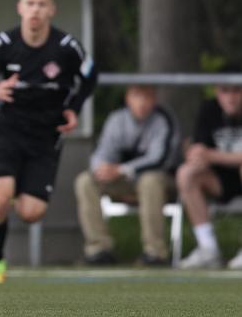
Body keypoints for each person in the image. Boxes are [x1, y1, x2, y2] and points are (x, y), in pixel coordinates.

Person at [0, 0, 97, 284]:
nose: (35, 11)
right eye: (30, 3)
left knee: (31, 213)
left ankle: (16, 189)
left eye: (42, 5)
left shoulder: (67, 47)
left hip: (45, 136)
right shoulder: (4, 43)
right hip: (7, 130)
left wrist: (74, 108)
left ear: (52, 10)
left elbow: (92, 76)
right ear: (20, 7)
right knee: (0, 195)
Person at [74, 85, 180, 266]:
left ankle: (155, 252)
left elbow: (159, 160)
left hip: (160, 183)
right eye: (137, 96)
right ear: (128, 98)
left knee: (149, 181)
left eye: (147, 97)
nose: (142, 103)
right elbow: (102, 153)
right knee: (85, 181)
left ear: (154, 100)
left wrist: (121, 170)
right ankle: (99, 249)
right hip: (125, 182)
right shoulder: (117, 120)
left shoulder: (164, 119)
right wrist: (101, 169)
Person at [176, 82, 242, 269]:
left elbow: (208, 153)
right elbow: (198, 149)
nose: (231, 97)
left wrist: (212, 155)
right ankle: (208, 248)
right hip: (218, 179)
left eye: (237, 90)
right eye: (225, 90)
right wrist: (195, 155)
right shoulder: (209, 109)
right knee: (186, 173)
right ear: (217, 92)